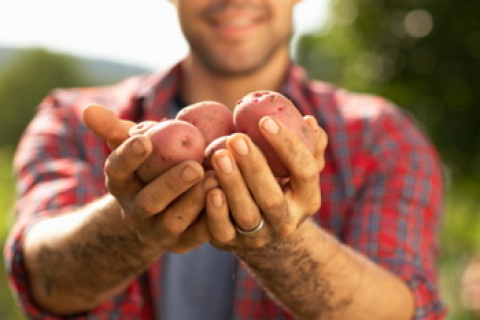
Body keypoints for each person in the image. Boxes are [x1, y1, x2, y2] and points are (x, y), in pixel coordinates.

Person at [4, 0, 446, 319]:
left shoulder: (382, 139)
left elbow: (401, 308)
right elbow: (46, 281)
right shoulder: (75, 121)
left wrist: (281, 241)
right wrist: (133, 219)